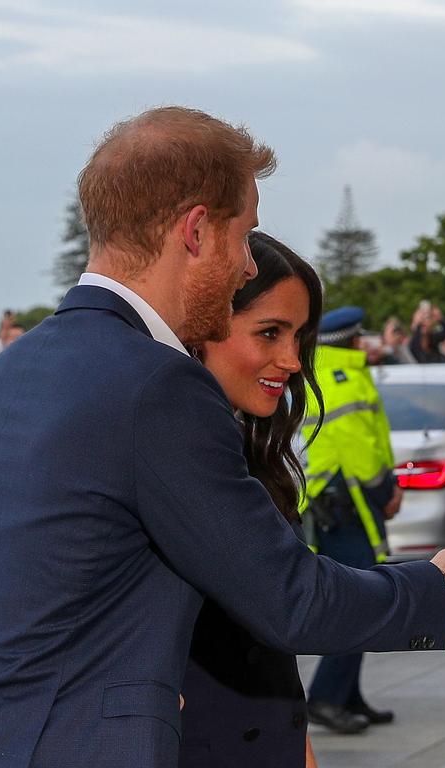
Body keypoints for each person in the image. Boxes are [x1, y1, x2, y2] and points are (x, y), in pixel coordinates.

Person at [0, 107, 445, 768]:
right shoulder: (160, 385)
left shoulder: (0, 375)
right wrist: (440, 593)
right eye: (245, 236)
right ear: (196, 230)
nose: (248, 265)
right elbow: (289, 600)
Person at [179, 231, 325, 767]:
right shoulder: (163, 450)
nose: (290, 360)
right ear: (205, 325)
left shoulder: (248, 445)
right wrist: (437, 594)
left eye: (299, 337)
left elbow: (267, 649)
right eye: (269, 333)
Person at [300, 305, 404, 734]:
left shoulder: (337, 371)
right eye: (359, 336)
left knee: (361, 599)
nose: (365, 343)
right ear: (348, 340)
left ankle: (347, 694)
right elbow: (358, 451)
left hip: (338, 505)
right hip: (341, 507)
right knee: (357, 604)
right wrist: (386, 489)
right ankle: (325, 696)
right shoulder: (339, 377)